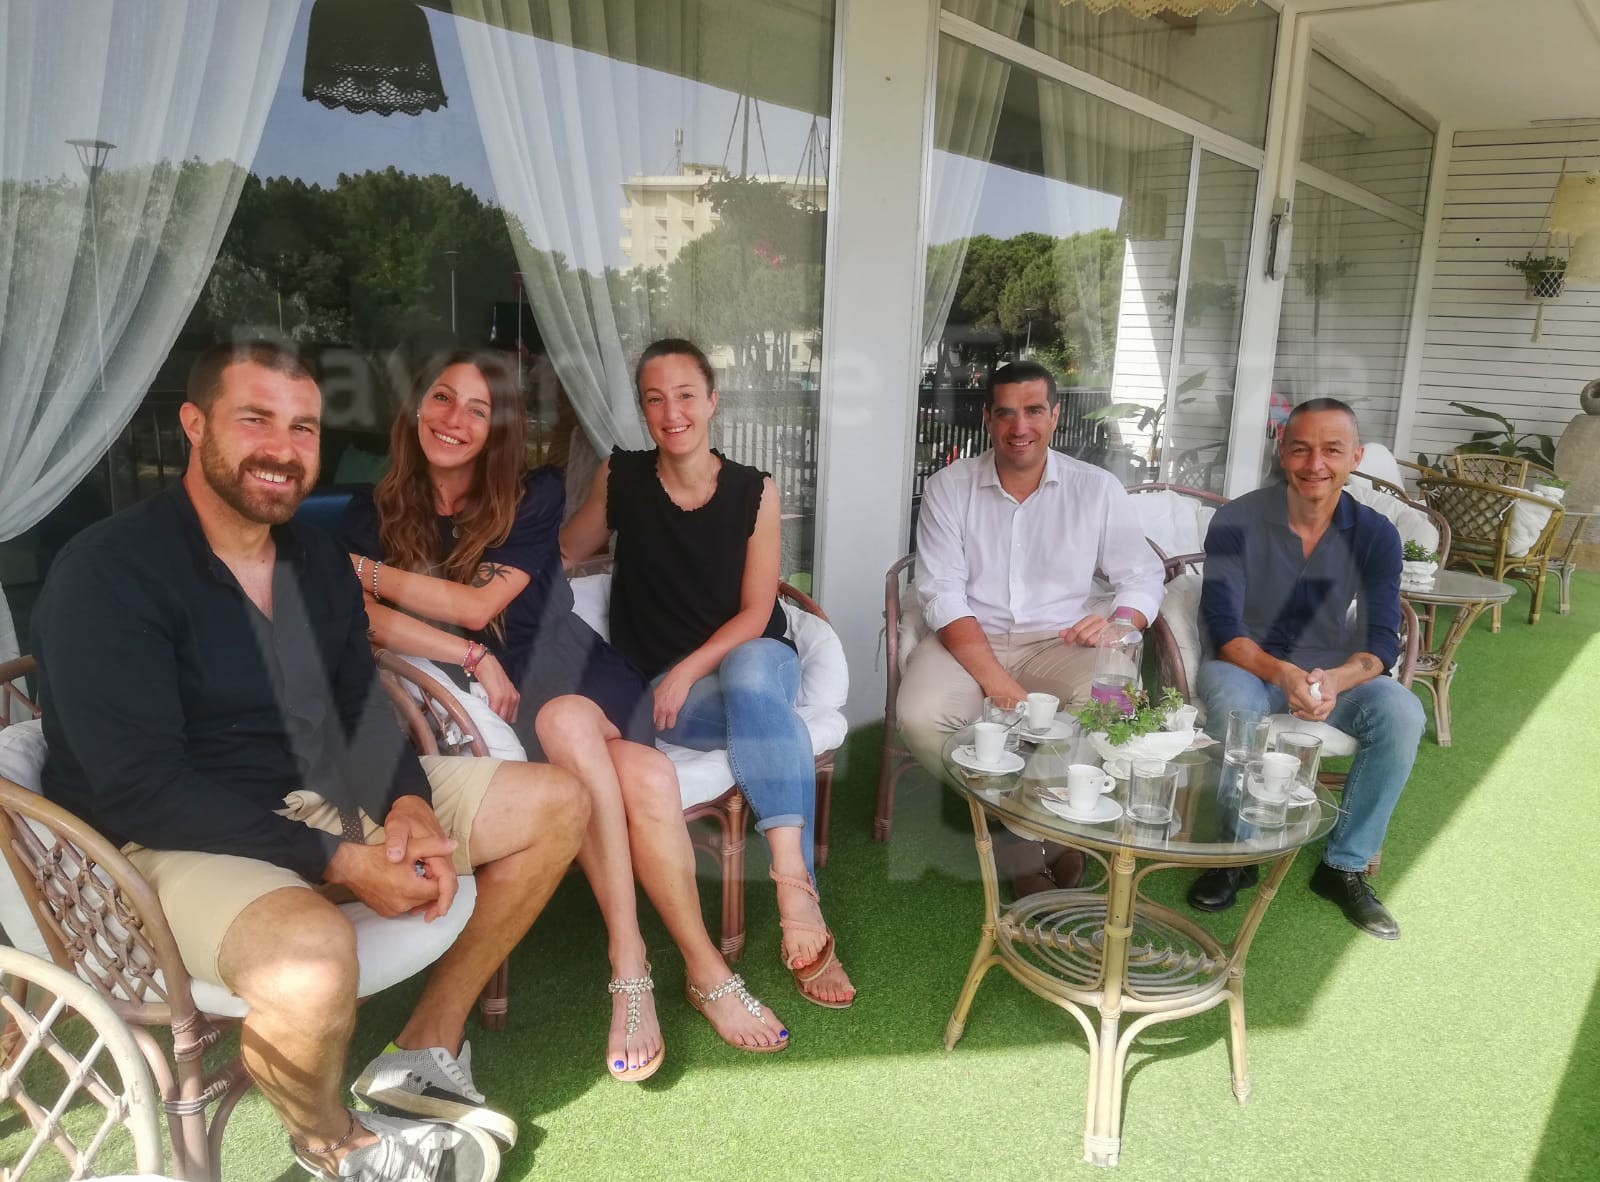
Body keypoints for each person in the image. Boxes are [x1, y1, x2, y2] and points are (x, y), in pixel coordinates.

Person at [32, 341, 592, 1182]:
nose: (283, 448)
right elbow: (138, 787)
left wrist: (405, 804)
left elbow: (357, 704)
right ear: (195, 425)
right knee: (310, 959)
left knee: (556, 802)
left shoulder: (312, 556)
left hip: (312, 789)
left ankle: (423, 1047)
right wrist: (339, 859)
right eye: (255, 419)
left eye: (303, 428)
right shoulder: (110, 572)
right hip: (158, 840)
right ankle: (333, 1146)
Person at [343, 348, 788, 1076]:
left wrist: (366, 572)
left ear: (498, 429)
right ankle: (704, 968)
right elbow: (362, 618)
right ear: (415, 408)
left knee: (568, 721)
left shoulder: (531, 496)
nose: (456, 420)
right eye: (443, 399)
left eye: (479, 410)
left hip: (580, 672)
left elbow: (477, 605)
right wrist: (468, 656)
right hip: (506, 694)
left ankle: (629, 960)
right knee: (645, 776)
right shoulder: (372, 512)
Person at [561, 338, 856, 1010]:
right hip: (672, 692)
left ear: (713, 401)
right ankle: (802, 898)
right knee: (765, 715)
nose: (673, 413)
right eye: (655, 399)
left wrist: (688, 667)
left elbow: (757, 611)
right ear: (643, 409)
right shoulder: (621, 478)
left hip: (754, 657)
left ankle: (792, 885)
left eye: (686, 395)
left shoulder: (755, 491)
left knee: (751, 675)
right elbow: (564, 551)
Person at [898, 360, 1166, 895]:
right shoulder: (950, 486)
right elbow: (942, 592)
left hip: (1059, 640)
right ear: (988, 420)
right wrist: (997, 682)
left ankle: (1045, 824)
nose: (1020, 427)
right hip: (967, 639)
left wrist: (1118, 625)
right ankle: (1014, 832)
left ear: (1055, 415)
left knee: (1115, 699)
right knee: (920, 716)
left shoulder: (1096, 488)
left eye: (1034, 411)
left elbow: (1140, 574)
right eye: (1006, 413)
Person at [1188, 397, 1425, 940]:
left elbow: (1380, 641)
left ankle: (1343, 866)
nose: (1315, 463)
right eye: (1301, 449)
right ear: (1283, 452)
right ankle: (1237, 855)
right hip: (1246, 663)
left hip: (1328, 671)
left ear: (1355, 457)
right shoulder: (1237, 520)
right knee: (1238, 705)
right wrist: (1285, 675)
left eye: (1332, 450)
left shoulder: (1375, 533)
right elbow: (1225, 629)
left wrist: (1335, 680)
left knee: (1403, 712)